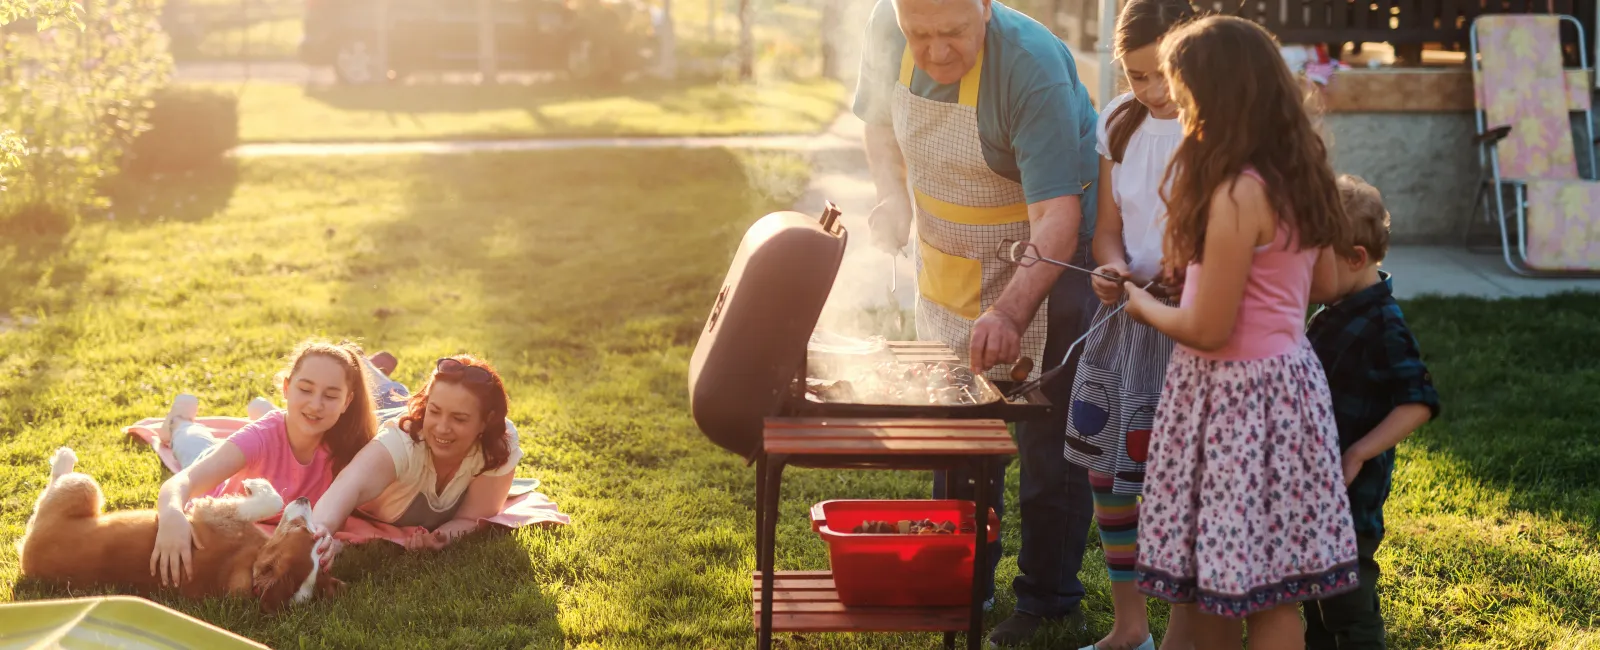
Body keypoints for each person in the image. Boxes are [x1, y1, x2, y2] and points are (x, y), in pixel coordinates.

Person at [852, 0, 1102, 642]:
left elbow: (1056, 222)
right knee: (954, 423)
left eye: (953, 33)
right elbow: (878, 124)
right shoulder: (886, 24)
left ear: (984, 10)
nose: (935, 51)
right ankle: (963, 580)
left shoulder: (1032, 67)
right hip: (949, 253)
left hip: (1046, 259)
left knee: (1045, 432)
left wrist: (1012, 310)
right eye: (920, 34)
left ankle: (1048, 598)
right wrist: (890, 196)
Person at [1120, 15, 1358, 647]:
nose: (1177, 106)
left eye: (1183, 91)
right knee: (1269, 588)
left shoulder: (1233, 193)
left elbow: (1207, 328)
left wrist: (1142, 306)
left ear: (1215, 97)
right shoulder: (1300, 173)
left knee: (1222, 589)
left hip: (1230, 403)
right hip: (1290, 390)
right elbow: (1328, 284)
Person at [1062, 1, 1197, 648]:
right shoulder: (1118, 121)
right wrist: (1110, 269)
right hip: (1124, 319)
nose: (1149, 92)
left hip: (1189, 325)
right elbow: (1108, 233)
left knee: (1175, 486)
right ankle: (1129, 628)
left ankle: (1181, 631)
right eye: (1135, 75)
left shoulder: (1215, 130)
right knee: (1110, 480)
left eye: (1161, 75)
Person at [1301, 176, 1441, 649]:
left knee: (1347, 597)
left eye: (1311, 258)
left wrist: (1360, 452)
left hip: (1350, 495)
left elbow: (1418, 400)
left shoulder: (1384, 322)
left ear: (1355, 258)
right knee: (1314, 597)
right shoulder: (1332, 309)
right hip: (1316, 487)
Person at [150, 339, 379, 587]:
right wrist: (172, 516)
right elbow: (182, 482)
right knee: (197, 448)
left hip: (275, 452)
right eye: (305, 390)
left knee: (294, 422)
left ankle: (261, 408)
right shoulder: (259, 437)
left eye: (331, 396)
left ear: (347, 402)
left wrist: (329, 543)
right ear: (286, 388)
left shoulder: (348, 447)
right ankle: (180, 421)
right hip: (226, 504)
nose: (316, 404)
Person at [310, 355, 523, 557]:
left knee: (390, 395)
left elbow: (472, 517)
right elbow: (350, 484)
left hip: (393, 405)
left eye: (459, 419)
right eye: (435, 411)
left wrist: (441, 538)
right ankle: (361, 360)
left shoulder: (499, 444)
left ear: (487, 420)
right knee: (293, 418)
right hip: (360, 422)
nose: (442, 428)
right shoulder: (400, 440)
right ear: (425, 405)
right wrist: (320, 531)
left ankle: (374, 368)